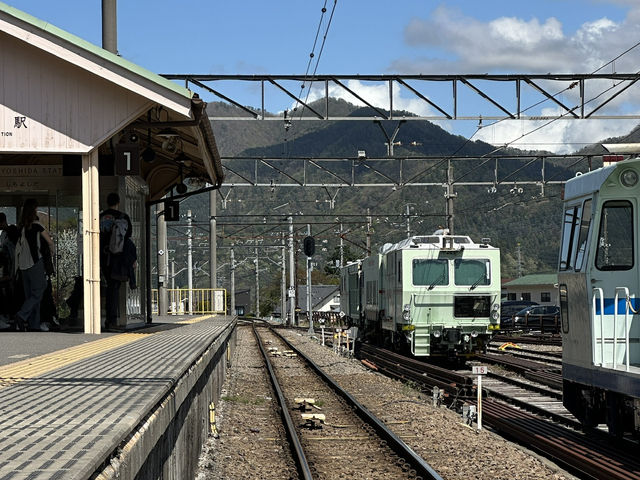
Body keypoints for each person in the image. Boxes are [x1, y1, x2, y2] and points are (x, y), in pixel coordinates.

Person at [14, 199, 54, 332]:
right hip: (35, 262)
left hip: (22, 265)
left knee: (30, 294)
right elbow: (49, 241)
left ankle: (34, 324)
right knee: (39, 291)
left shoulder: (21, 227)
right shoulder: (37, 225)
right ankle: (21, 315)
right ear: (34, 211)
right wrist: (52, 251)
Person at [99, 192, 132, 331]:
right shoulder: (122, 217)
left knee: (108, 287)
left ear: (107, 202)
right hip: (117, 257)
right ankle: (111, 320)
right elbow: (128, 236)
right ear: (118, 202)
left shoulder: (99, 217)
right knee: (114, 288)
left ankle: (106, 318)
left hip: (102, 255)